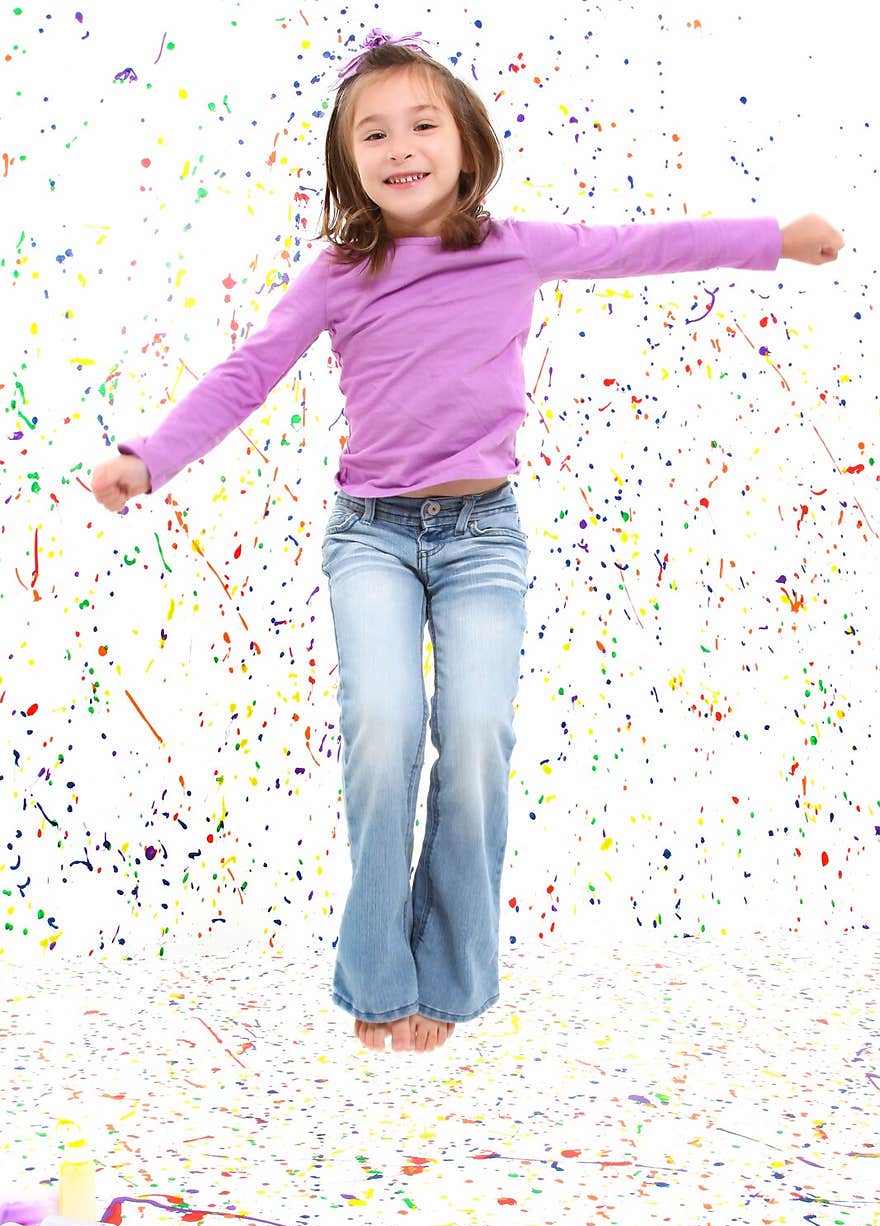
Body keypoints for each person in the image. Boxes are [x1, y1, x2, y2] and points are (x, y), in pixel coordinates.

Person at [92, 30, 844, 1056]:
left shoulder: (513, 246)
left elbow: (642, 245)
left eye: (422, 124)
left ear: (465, 142)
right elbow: (247, 372)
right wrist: (148, 457)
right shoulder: (338, 272)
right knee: (384, 726)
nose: (400, 146)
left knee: (478, 737)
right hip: (373, 538)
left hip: (483, 534)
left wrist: (771, 238)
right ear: (347, 161)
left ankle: (444, 984)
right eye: (374, 132)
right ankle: (375, 975)